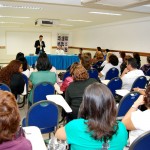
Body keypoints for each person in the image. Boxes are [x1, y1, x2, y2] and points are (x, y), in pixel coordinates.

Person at [55, 83, 128, 149]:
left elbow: (58, 135)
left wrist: (64, 128)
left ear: (85, 105)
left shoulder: (75, 126)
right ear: (112, 104)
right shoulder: (121, 128)